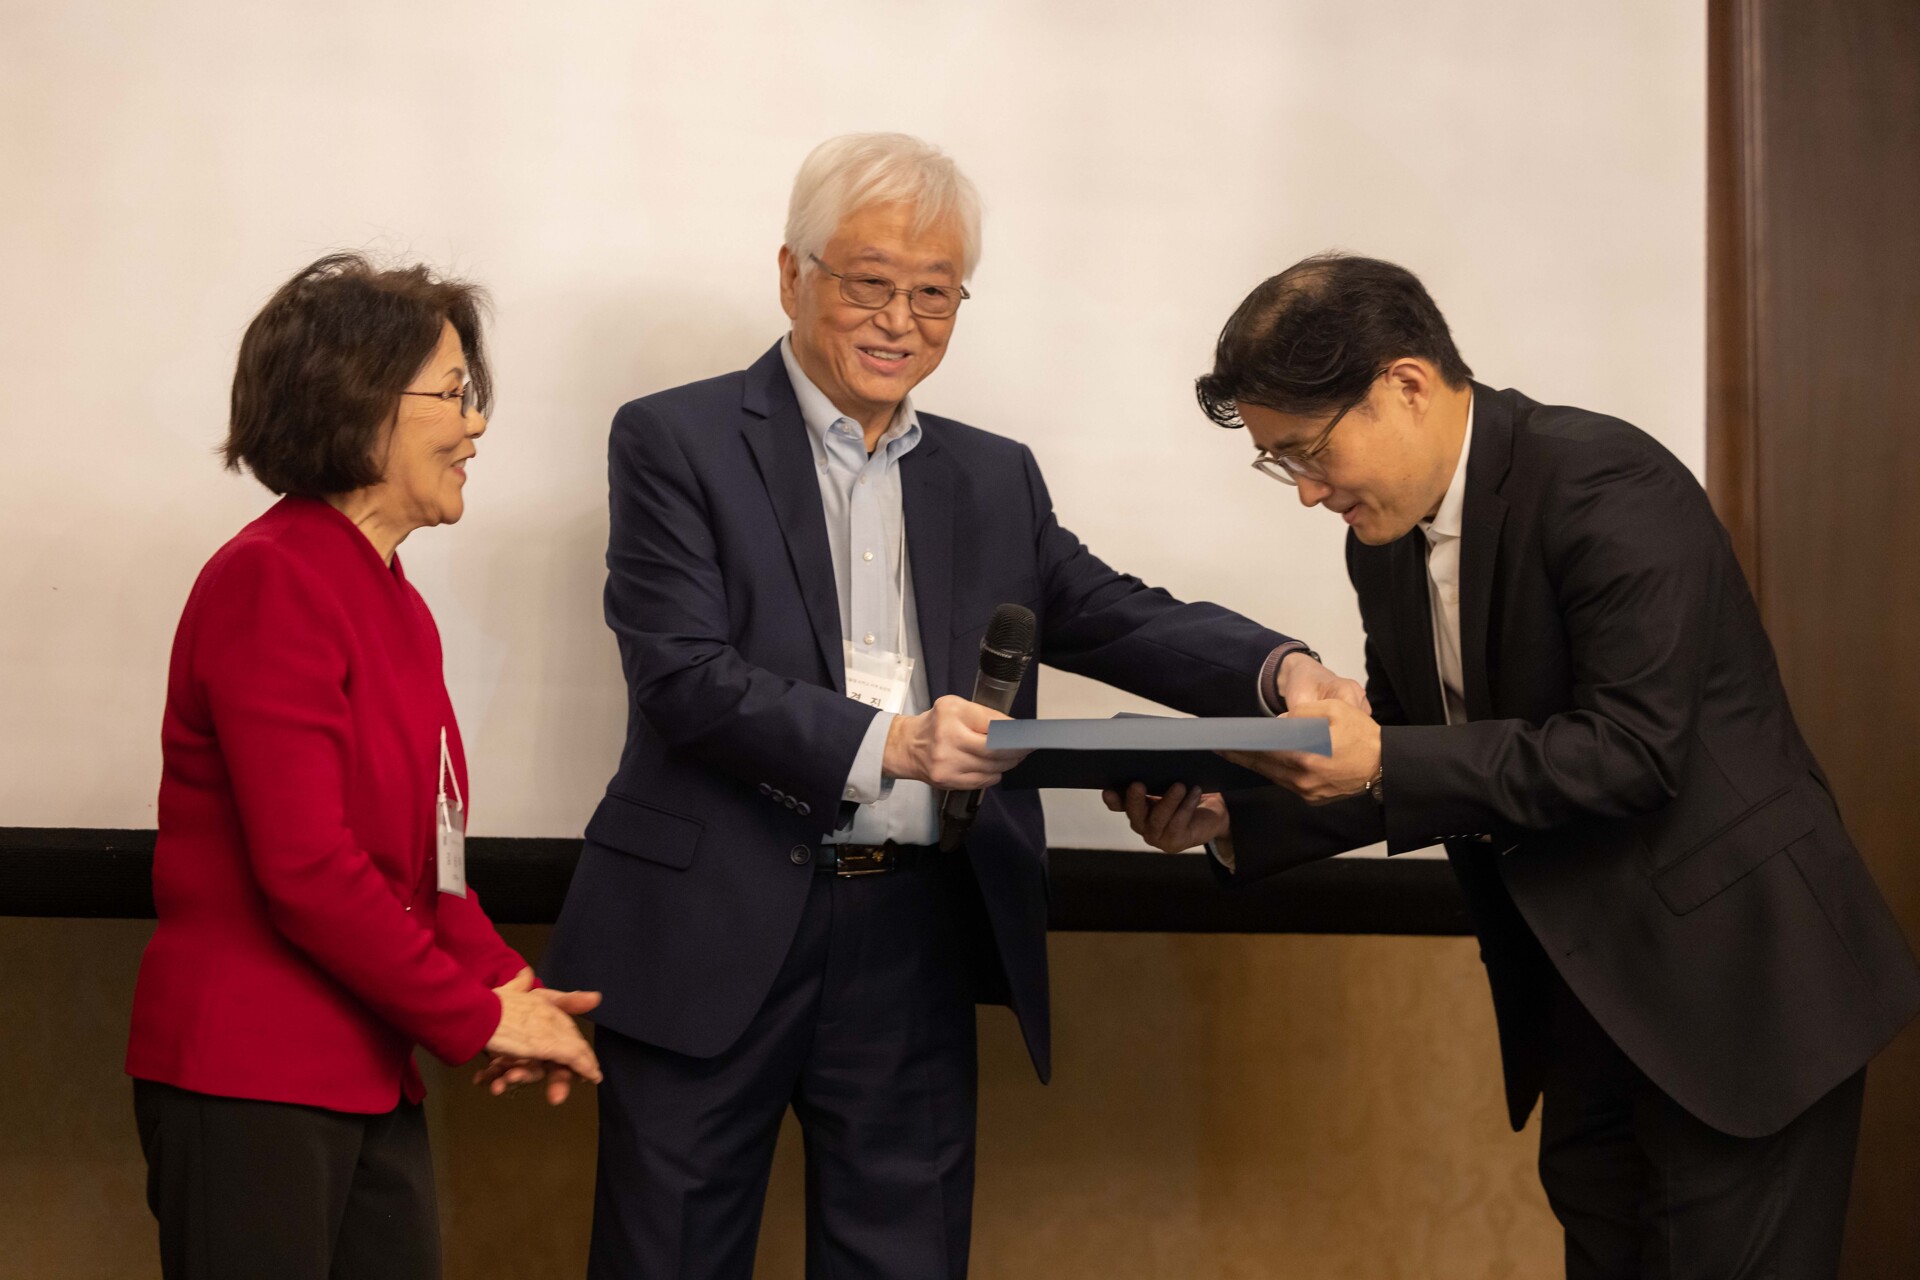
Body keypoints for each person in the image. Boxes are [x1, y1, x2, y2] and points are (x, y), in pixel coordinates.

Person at [541, 134, 1365, 1279]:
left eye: (934, 293)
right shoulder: (675, 438)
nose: (900, 320)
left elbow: (1115, 612)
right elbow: (684, 676)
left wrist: (1277, 670)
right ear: (791, 276)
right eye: (868, 283)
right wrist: (893, 742)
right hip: (710, 925)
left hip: (914, 931)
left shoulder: (992, 474)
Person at [1109, 253, 1920, 1278]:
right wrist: (1235, 818)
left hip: (1738, 997)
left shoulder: (1603, 480)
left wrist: (1381, 753)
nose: (1308, 492)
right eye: (1280, 464)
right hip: (1584, 1000)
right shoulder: (1380, 544)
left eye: (1310, 451)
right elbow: (1414, 749)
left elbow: (1632, 750)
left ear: (1407, 384)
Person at [125, 254, 603, 1280]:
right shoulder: (272, 578)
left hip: (369, 1074)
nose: (477, 424)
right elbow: (308, 870)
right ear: (356, 400)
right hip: (251, 1075)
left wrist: (515, 991)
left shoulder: (395, 600)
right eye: (453, 394)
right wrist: (477, 1017)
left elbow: (430, 873)